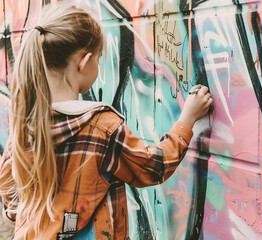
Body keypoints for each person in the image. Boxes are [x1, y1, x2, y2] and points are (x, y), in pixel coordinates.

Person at [0, 3, 213, 240]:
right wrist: (187, 119)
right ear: (84, 61)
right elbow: (153, 167)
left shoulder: (24, 126)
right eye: (99, 58)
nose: (99, 65)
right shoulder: (101, 129)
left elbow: (11, 200)